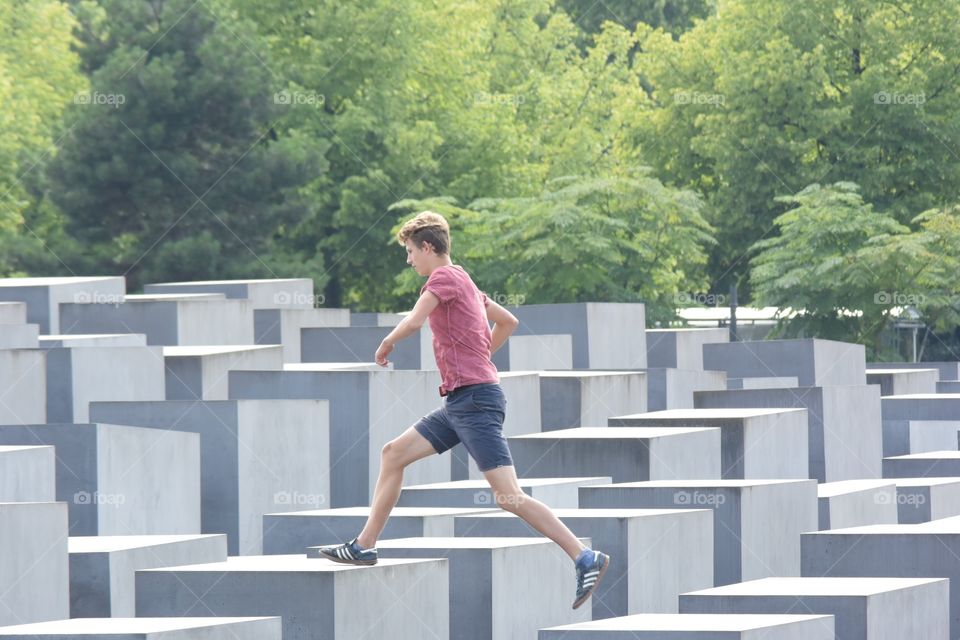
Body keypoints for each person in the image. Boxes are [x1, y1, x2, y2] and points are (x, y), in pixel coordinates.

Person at [318, 211, 609, 609]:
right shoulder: (466, 282)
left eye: (409, 252)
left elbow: (415, 321)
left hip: (474, 402)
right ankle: (365, 546)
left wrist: (386, 343)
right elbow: (508, 321)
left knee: (508, 496)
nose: (409, 261)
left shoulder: (442, 279)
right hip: (461, 401)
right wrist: (479, 357)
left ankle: (583, 555)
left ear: (428, 247)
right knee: (393, 454)